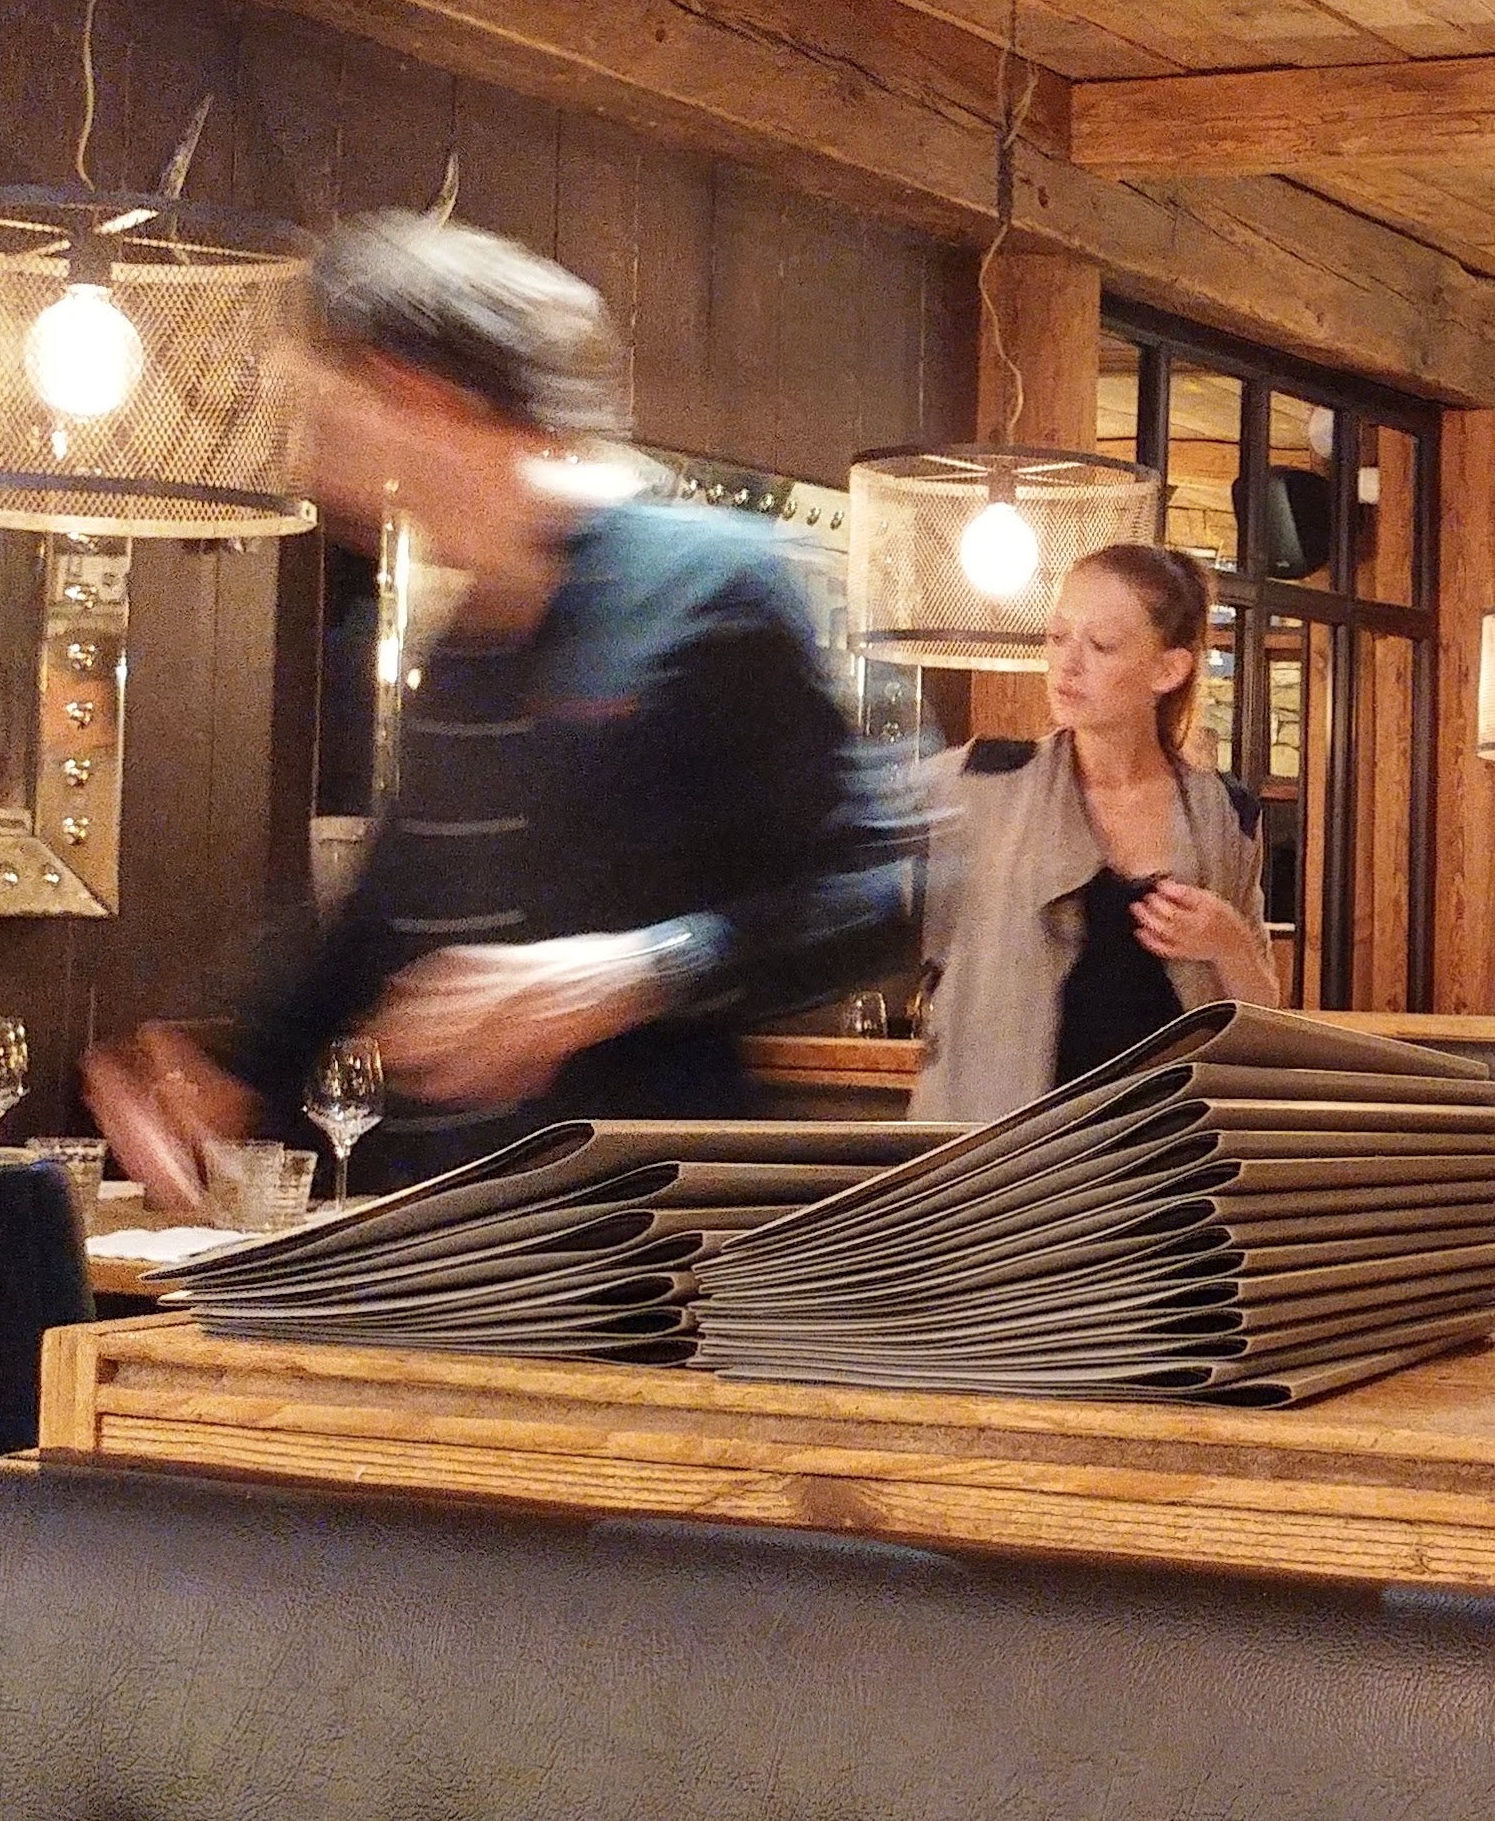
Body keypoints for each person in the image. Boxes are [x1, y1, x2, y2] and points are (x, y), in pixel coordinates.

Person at [86, 212, 905, 1206]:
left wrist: (628, 973)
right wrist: (234, 1074)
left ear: (412, 393)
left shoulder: (717, 586)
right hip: (454, 1225)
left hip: (646, 1231)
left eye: (323, 408)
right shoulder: (467, 640)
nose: (308, 455)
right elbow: (386, 918)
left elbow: (875, 894)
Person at [907, 543, 1278, 1123]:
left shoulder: (1225, 816)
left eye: (1100, 645)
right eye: (1057, 637)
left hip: (1165, 1148)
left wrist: (1228, 940)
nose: (1067, 664)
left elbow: (1267, 1022)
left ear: (1169, 670)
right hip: (999, 1149)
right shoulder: (980, 781)